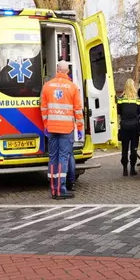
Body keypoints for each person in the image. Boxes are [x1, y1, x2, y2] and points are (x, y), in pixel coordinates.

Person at [40, 61, 84, 199]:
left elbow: (43, 109)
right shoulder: (72, 87)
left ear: (57, 70)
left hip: (52, 128)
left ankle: (53, 189)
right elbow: (78, 110)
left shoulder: (47, 86)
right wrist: (80, 128)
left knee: (52, 158)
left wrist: (46, 125)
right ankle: (61, 189)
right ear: (68, 71)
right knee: (63, 159)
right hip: (66, 129)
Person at [117, 78, 140, 177]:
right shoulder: (137, 100)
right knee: (134, 148)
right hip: (134, 126)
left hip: (124, 126)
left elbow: (118, 111)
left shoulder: (121, 99)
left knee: (124, 148)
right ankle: (132, 169)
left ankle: (124, 169)